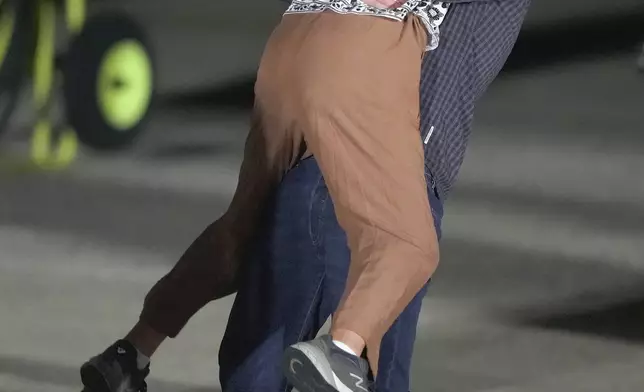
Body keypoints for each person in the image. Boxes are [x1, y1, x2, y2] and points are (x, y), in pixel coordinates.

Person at [80, 0, 531, 391]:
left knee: (238, 230)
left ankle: (133, 350)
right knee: (408, 248)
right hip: (358, 97)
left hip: (291, 49)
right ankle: (340, 350)